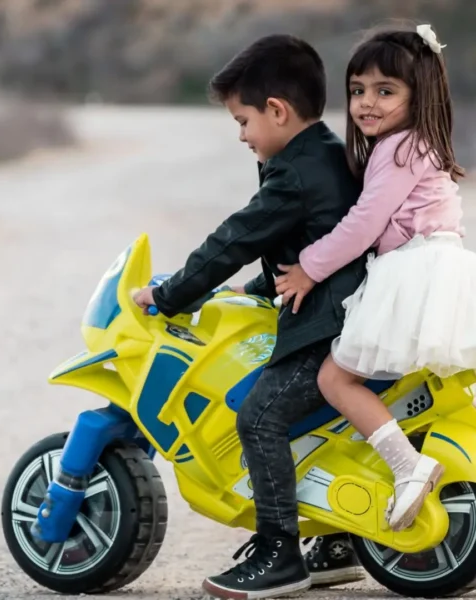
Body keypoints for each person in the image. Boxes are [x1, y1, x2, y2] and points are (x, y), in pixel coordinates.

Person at [133, 34, 366, 599]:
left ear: (277, 111)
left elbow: (235, 236)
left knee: (260, 416)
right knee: (316, 424)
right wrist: (257, 287)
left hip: (327, 329)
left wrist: (170, 295)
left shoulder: (293, 174)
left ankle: (278, 552)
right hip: (348, 311)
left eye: (242, 121)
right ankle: (338, 541)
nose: (241, 134)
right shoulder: (325, 154)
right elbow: (316, 238)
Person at [275, 24, 475, 532]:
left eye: (386, 91)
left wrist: (307, 268)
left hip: (413, 271)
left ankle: (409, 467)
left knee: (335, 378)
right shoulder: (417, 144)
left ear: (419, 94)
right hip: (437, 264)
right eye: (358, 90)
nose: (367, 103)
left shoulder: (399, 149)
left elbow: (364, 223)